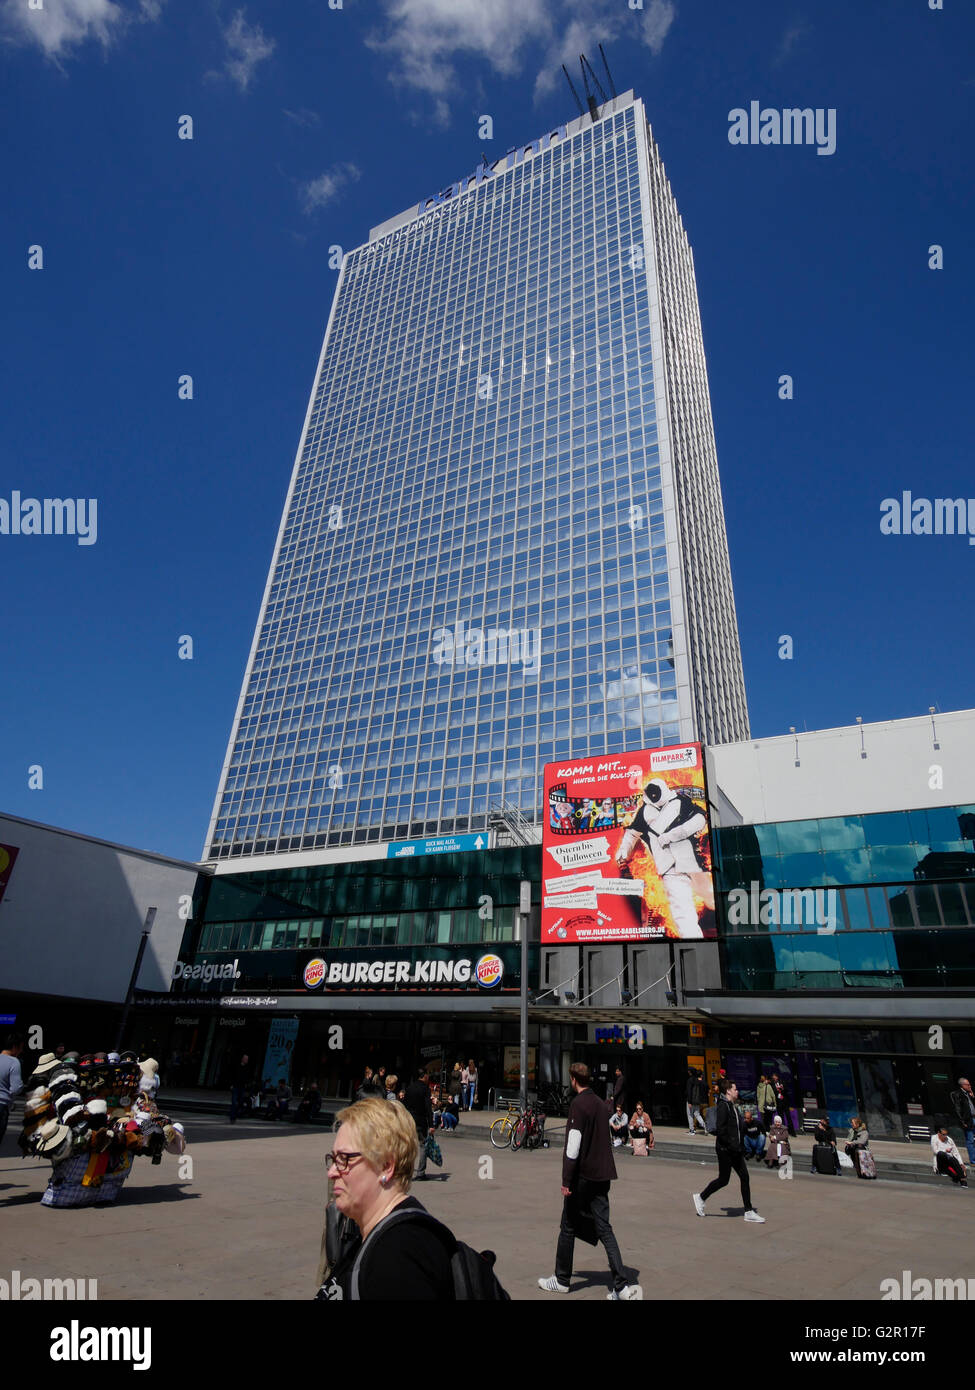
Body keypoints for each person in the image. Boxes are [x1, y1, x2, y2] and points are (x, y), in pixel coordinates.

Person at [317, 1098, 456, 1300]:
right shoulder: (374, 1237)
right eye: (333, 1159)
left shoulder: (398, 1256)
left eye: (344, 1159)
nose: (331, 1172)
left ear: (386, 1166)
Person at [538, 1061, 643, 1299]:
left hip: (583, 1176)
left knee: (568, 1226)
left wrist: (566, 1179)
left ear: (573, 1080)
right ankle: (622, 1287)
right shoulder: (599, 1103)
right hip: (602, 1174)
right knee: (605, 1228)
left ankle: (562, 1279)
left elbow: (572, 1147)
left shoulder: (578, 1105)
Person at [613, 778, 713, 938]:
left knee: (712, 900)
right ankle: (696, 946)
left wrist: (673, 835)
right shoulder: (645, 812)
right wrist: (624, 852)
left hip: (694, 861)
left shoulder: (681, 801)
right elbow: (632, 833)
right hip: (670, 868)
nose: (654, 796)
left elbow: (700, 818)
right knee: (683, 914)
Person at [692, 1078, 765, 1222]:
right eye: (735, 1089)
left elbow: (737, 1129)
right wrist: (732, 1145)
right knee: (723, 1179)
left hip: (735, 1149)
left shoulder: (732, 1106)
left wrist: (741, 1145)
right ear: (728, 1091)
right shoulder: (723, 1106)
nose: (737, 1091)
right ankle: (700, 1197)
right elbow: (721, 1129)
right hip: (726, 1150)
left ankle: (748, 1211)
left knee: (744, 1177)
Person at [403, 1069, 435, 1181]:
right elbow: (428, 1107)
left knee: (408, 1146)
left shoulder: (410, 1087)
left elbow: (405, 1105)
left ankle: (405, 1170)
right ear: (424, 1076)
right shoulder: (425, 1089)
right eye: (427, 1075)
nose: (428, 1077)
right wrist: (431, 1124)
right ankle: (420, 1173)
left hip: (409, 1119)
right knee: (422, 1145)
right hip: (420, 1120)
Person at [0, 1032, 25, 1148]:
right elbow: (16, 1088)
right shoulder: (14, 1062)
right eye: (21, 1048)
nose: (20, 1051)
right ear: (15, 1047)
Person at [950, 1078, 975, 1168]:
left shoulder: (969, 1094)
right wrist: (962, 1121)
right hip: (968, 1120)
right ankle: (973, 1161)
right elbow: (957, 1109)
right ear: (963, 1085)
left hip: (974, 1118)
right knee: (970, 1140)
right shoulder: (958, 1094)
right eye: (968, 1085)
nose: (970, 1086)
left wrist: (973, 1097)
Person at [229, 1053, 251, 1125]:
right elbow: (232, 1075)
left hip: (242, 1088)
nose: (246, 1060)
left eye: (247, 1059)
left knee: (240, 1103)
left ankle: (235, 1115)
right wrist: (231, 1084)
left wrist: (246, 1085)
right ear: (242, 1059)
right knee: (234, 1102)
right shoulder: (236, 1066)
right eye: (245, 1059)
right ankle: (232, 1118)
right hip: (235, 1087)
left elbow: (247, 1078)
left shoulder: (247, 1068)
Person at [686, 1069, 707, 1134]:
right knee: (697, 1115)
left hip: (691, 1101)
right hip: (697, 1101)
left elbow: (689, 1091)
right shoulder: (697, 1081)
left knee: (690, 1115)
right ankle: (705, 1127)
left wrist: (689, 1101)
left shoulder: (690, 1080)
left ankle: (691, 1130)